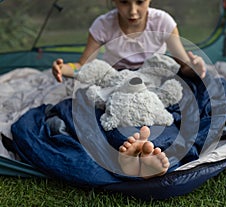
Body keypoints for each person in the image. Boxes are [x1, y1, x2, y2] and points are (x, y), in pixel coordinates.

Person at [52, 0, 206, 178]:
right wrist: (63, 69)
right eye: (124, 2)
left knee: (172, 107)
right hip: (116, 81)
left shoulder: (163, 22)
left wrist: (195, 66)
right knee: (106, 115)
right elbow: (83, 66)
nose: (133, 11)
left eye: (140, 2)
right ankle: (131, 157)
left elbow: (183, 66)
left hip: (151, 80)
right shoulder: (103, 24)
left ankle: (149, 156)